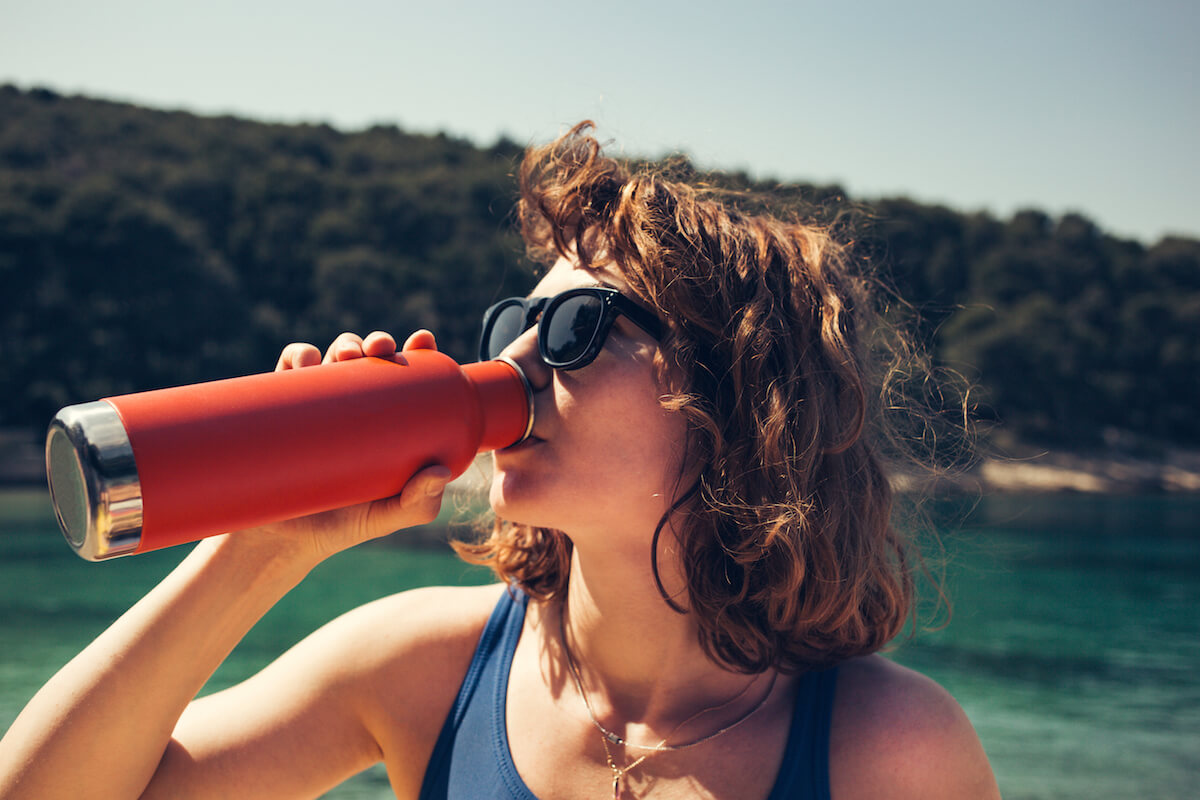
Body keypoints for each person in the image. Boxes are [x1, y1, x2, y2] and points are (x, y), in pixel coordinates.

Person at [0, 122, 1000, 799]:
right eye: (516, 319)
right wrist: (256, 550)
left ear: (740, 396)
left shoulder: (887, 746)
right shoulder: (423, 667)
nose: (513, 358)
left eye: (576, 327)